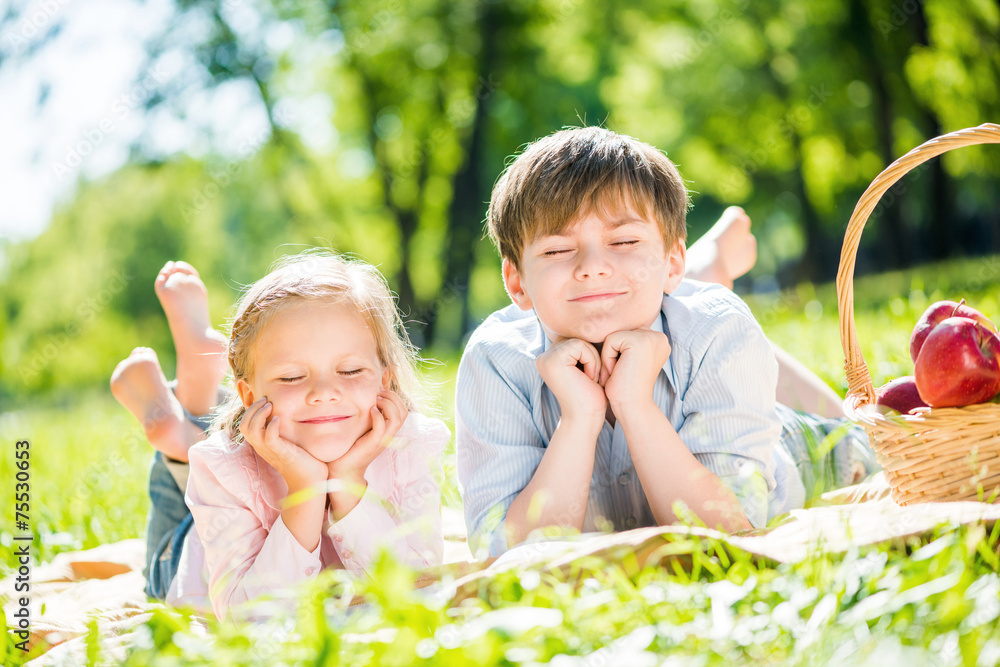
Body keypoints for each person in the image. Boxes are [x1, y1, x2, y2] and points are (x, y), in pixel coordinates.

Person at [456, 126, 877, 558]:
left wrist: (636, 405)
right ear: (516, 282)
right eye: (558, 250)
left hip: (801, 447)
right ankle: (702, 270)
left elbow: (729, 534)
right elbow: (504, 558)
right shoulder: (495, 360)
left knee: (864, 427)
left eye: (623, 241)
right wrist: (579, 419)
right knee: (677, 312)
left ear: (672, 261)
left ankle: (701, 277)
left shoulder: (716, 329)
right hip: (673, 313)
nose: (592, 267)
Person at [112, 253, 449, 619]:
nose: (324, 392)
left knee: (199, 448)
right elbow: (250, 618)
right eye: (291, 377)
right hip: (191, 554)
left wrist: (348, 481)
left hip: (235, 466)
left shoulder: (411, 446)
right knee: (167, 550)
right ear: (250, 396)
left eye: (350, 370)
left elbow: (418, 587)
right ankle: (179, 439)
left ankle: (191, 407)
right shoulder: (222, 466)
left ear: (385, 378)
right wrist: (305, 488)